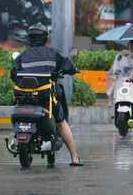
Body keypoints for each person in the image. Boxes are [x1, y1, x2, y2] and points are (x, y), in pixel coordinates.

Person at [11, 23, 82, 166]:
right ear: (45, 38)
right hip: (44, 97)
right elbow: (69, 67)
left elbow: (13, 74)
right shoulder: (52, 54)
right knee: (61, 121)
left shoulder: (22, 56)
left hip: (23, 97)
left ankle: (15, 139)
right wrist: (74, 69)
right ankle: (74, 157)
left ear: (29, 39)